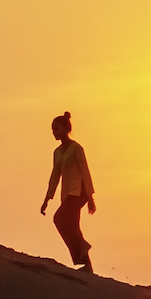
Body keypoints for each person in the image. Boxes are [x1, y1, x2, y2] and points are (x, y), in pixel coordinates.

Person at [40, 111, 96, 273]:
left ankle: (83, 246)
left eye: (56, 129)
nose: (54, 132)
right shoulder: (57, 152)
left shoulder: (76, 148)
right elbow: (55, 176)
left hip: (80, 193)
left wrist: (91, 198)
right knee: (72, 225)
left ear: (65, 128)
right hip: (67, 195)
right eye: (52, 129)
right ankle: (87, 266)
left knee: (59, 219)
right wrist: (47, 199)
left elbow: (85, 171)